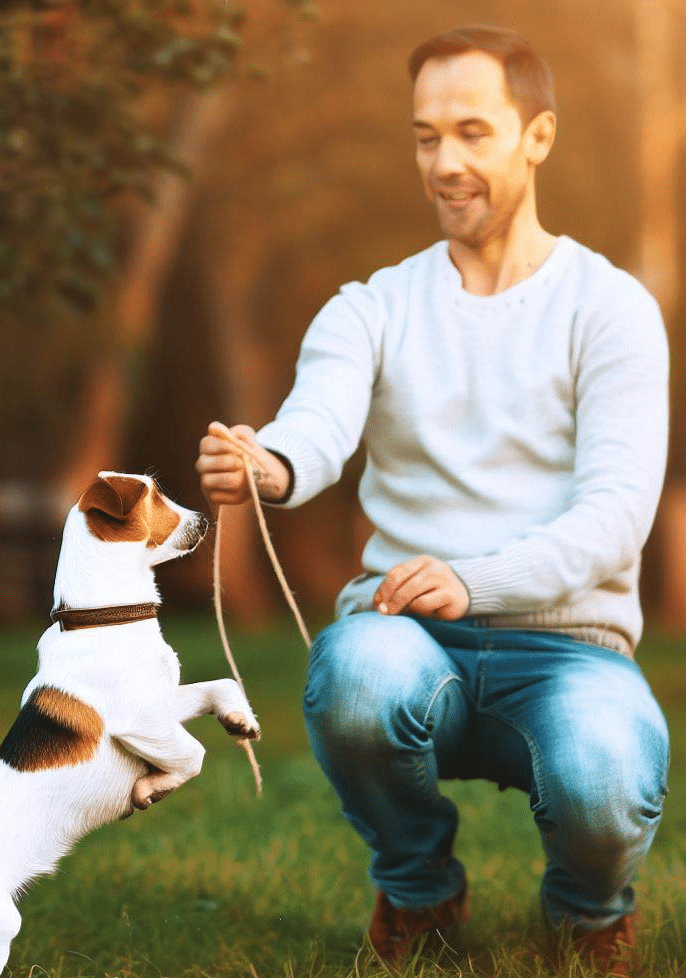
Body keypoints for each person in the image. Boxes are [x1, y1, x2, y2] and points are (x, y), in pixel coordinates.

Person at [196, 24, 669, 976]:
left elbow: (618, 514)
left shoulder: (609, 308)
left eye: (472, 132)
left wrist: (473, 577)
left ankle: (586, 911)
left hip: (571, 649)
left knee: (605, 774)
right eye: (425, 137)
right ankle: (421, 893)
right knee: (357, 675)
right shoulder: (371, 307)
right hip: (412, 639)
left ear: (537, 137)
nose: (445, 163)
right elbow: (314, 429)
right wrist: (269, 464)